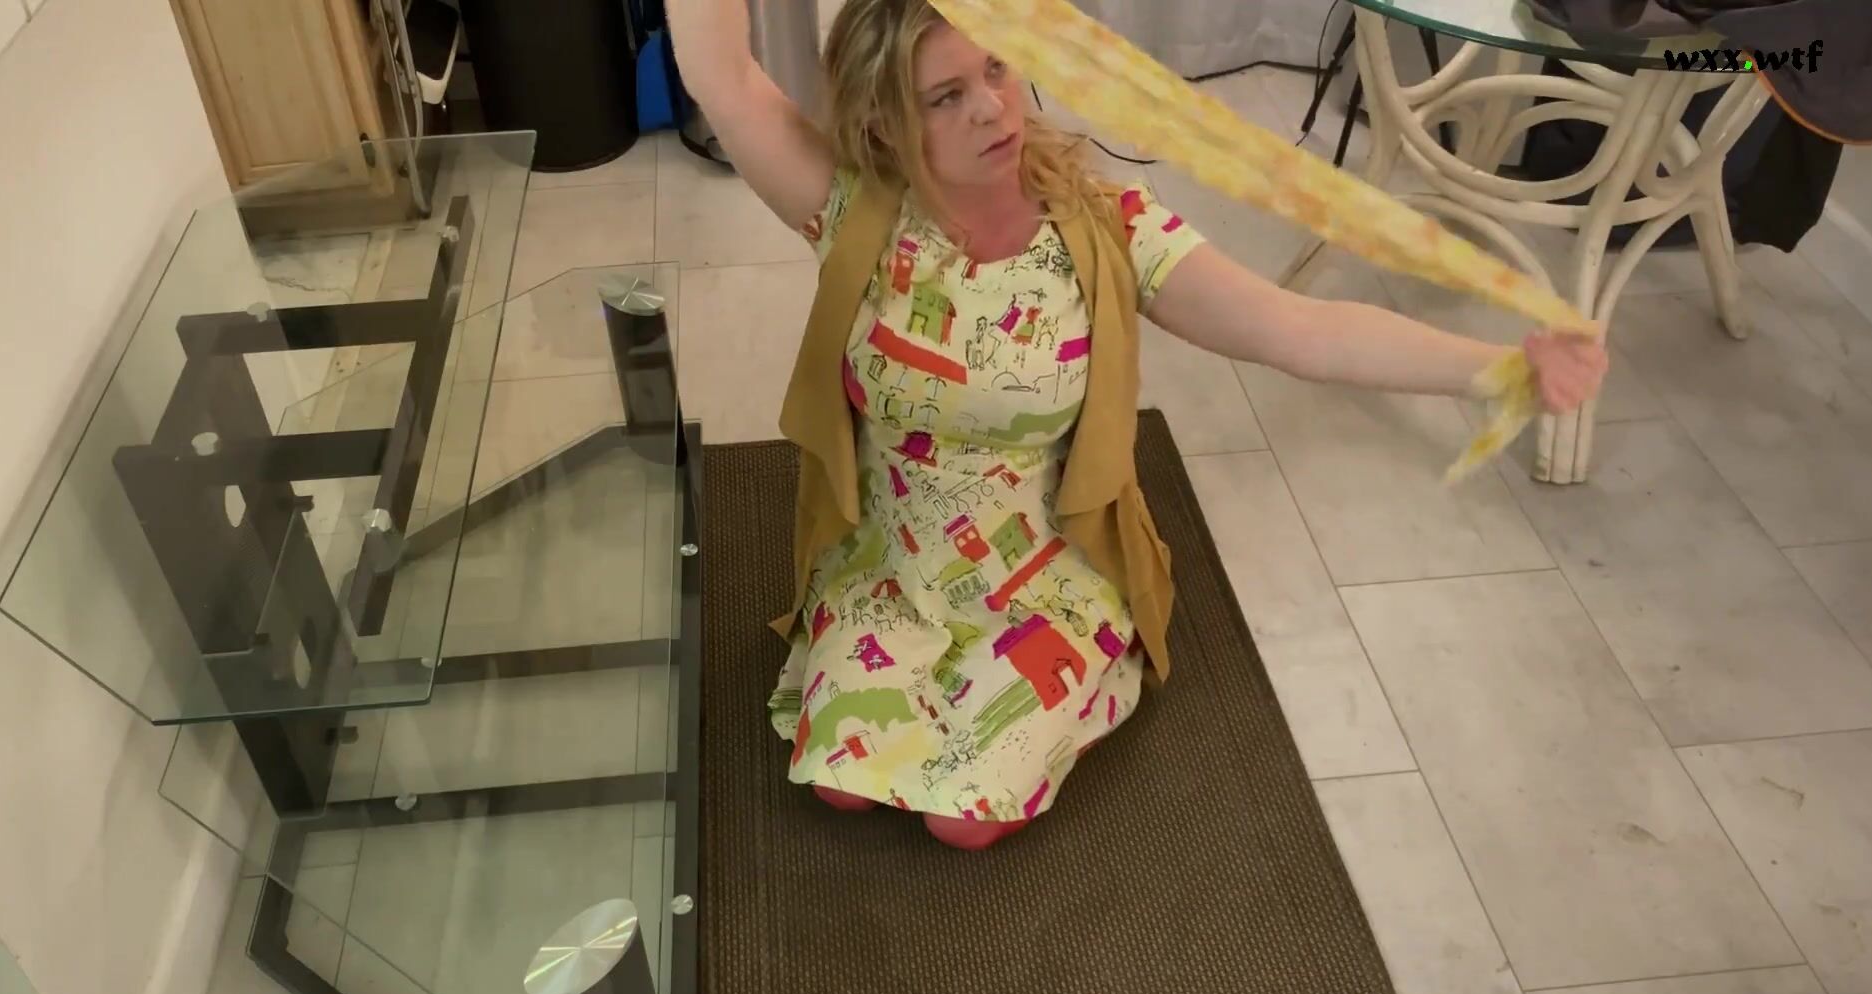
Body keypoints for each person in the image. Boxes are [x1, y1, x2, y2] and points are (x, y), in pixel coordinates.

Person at [670, 0, 1606, 851]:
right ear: (883, 121)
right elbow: (722, 74)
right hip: (891, 566)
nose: (992, 109)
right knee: (838, 787)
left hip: (1040, 576)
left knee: (962, 822)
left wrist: (1498, 369)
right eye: (945, 97)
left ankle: (1087, 671)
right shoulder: (851, 208)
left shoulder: (1108, 229)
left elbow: (1300, 331)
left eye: (997, 68)